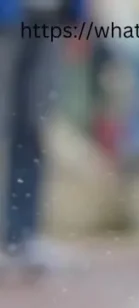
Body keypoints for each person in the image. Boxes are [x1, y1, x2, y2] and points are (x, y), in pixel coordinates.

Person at [0, 0, 88, 277]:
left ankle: (22, 236)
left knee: (33, 126)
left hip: (50, 16)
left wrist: (77, 12)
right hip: (8, 16)